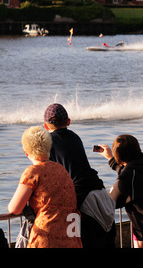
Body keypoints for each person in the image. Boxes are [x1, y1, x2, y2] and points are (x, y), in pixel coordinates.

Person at [43, 103, 116, 248]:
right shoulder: (75, 137)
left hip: (79, 200)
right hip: (98, 192)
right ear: (68, 122)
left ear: (45, 126)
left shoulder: (48, 142)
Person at [8, 126, 82, 248]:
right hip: (69, 238)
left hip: (45, 237)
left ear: (26, 152)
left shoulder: (33, 172)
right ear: (49, 147)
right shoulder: (61, 169)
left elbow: (15, 209)